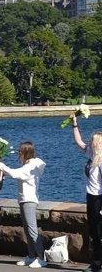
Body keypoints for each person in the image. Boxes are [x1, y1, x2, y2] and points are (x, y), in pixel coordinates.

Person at [0, 142, 46, 268]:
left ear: (25, 153)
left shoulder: (30, 167)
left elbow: (14, 173)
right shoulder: (29, 165)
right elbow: (13, 172)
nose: (19, 154)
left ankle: (41, 258)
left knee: (32, 230)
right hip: (23, 200)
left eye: (20, 152)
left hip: (29, 201)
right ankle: (31, 256)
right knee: (27, 230)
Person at [70, 112, 102, 272]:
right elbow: (78, 142)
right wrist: (74, 123)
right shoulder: (92, 154)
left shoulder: (101, 161)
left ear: (97, 143)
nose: (90, 142)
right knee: (94, 231)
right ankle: (96, 262)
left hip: (99, 199)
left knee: (98, 231)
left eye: (92, 141)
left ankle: (97, 262)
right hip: (91, 197)